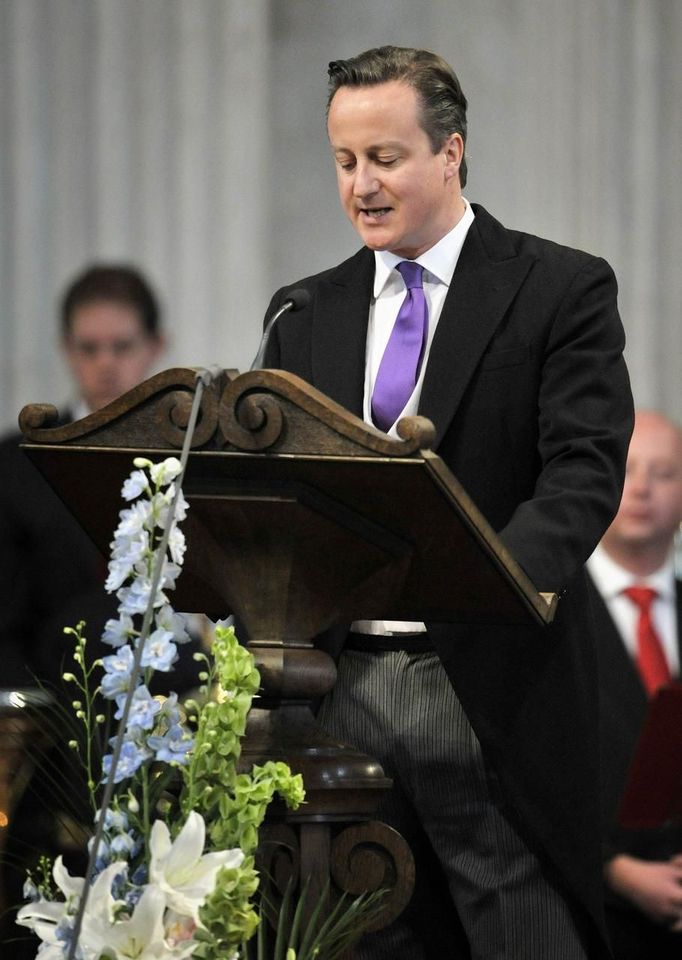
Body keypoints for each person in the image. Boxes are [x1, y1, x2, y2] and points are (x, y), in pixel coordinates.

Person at [259, 46, 633, 959]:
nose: (361, 186)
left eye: (385, 158)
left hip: (487, 677)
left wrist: (487, 580)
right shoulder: (302, 313)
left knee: (523, 929)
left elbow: (583, 471)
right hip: (335, 689)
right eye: (345, 162)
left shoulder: (559, 288)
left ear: (451, 152)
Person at [586, 410, 682, 959]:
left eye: (664, 473)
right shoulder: (553, 617)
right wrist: (613, 871)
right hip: (593, 919)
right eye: (629, 468)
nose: (642, 488)